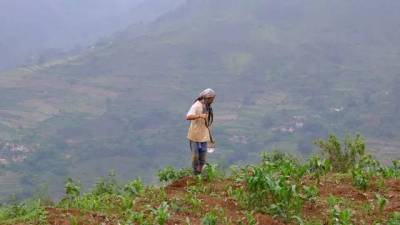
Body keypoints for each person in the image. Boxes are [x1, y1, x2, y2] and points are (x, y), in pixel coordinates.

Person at [186, 88, 216, 175]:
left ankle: (200, 173)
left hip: (203, 135)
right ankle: (195, 174)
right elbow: (188, 117)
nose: (213, 101)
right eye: (212, 99)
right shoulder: (196, 105)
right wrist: (199, 116)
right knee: (195, 156)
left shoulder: (207, 106)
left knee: (203, 156)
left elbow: (206, 123)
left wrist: (210, 137)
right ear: (207, 98)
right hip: (194, 135)